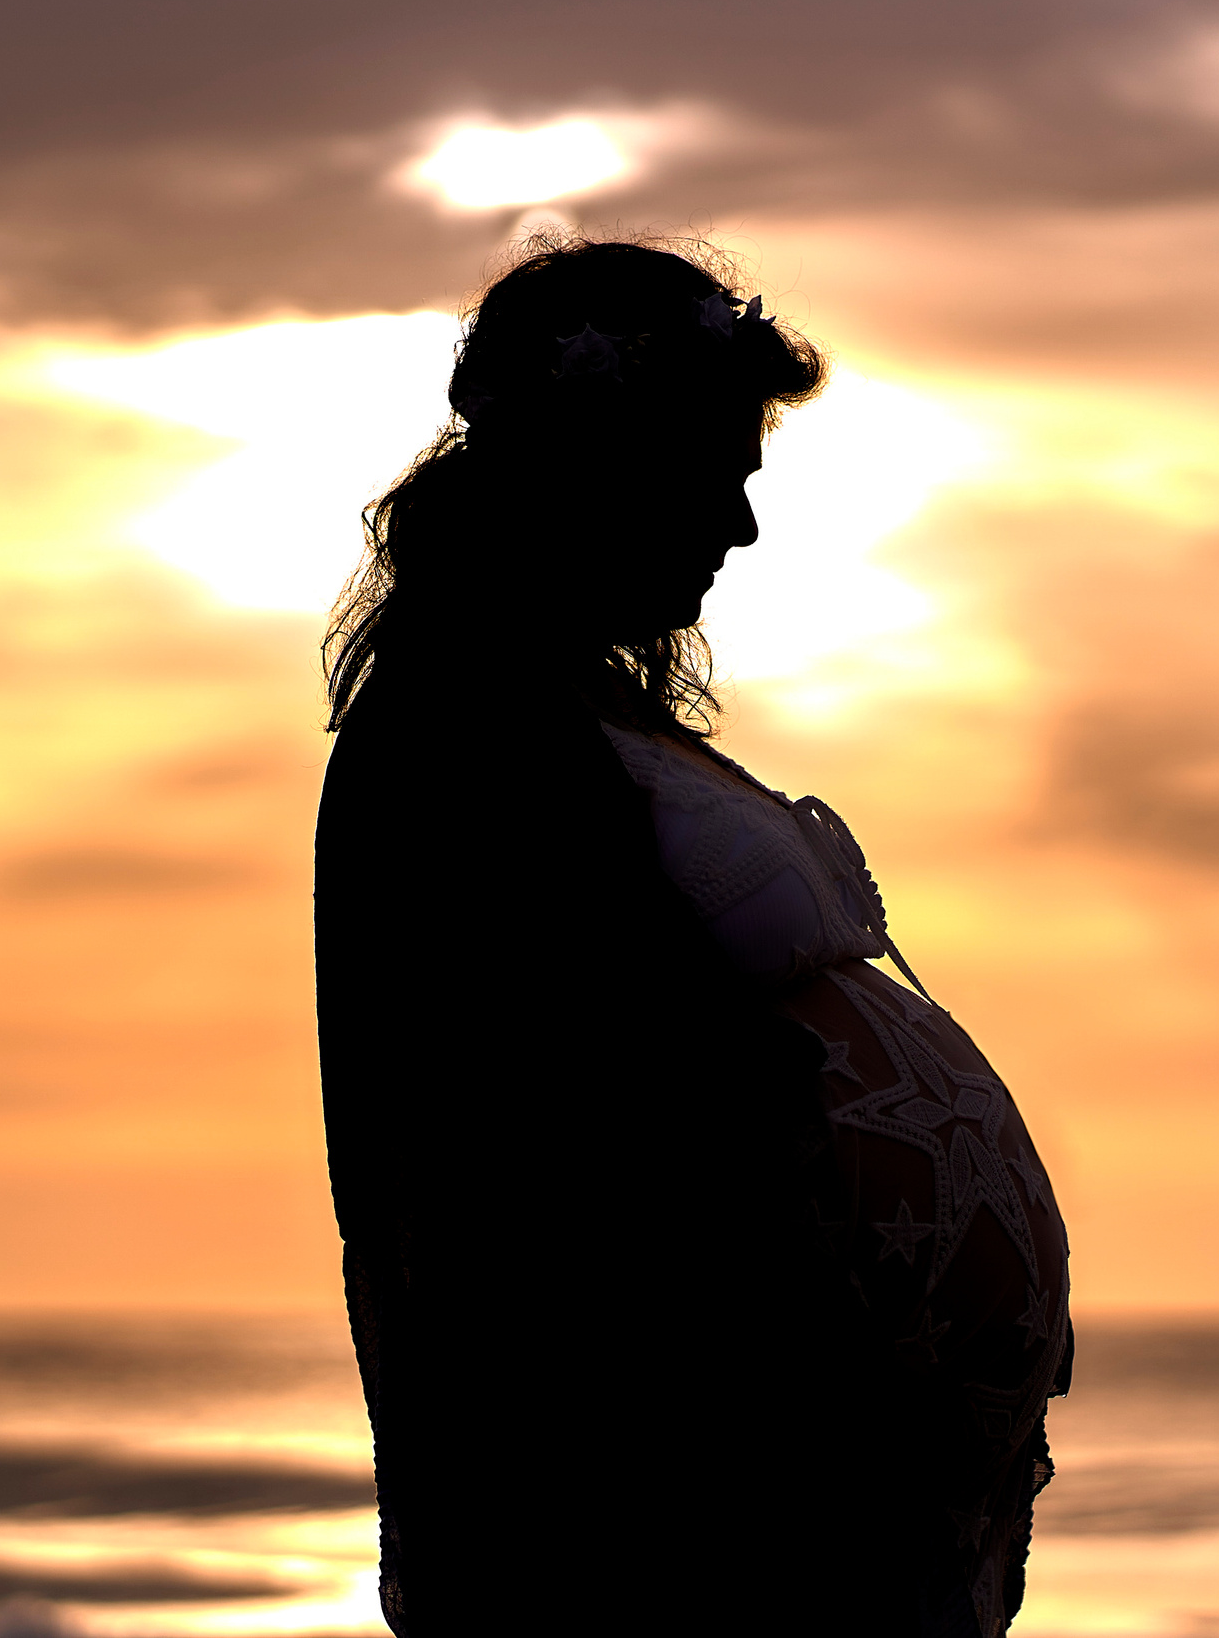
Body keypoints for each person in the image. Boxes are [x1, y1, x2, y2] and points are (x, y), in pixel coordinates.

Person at [314, 236, 1072, 1638]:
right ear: (607, 460)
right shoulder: (471, 734)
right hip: (688, 1533)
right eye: (718, 472)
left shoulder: (555, 712)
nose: (741, 526)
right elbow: (596, 1135)